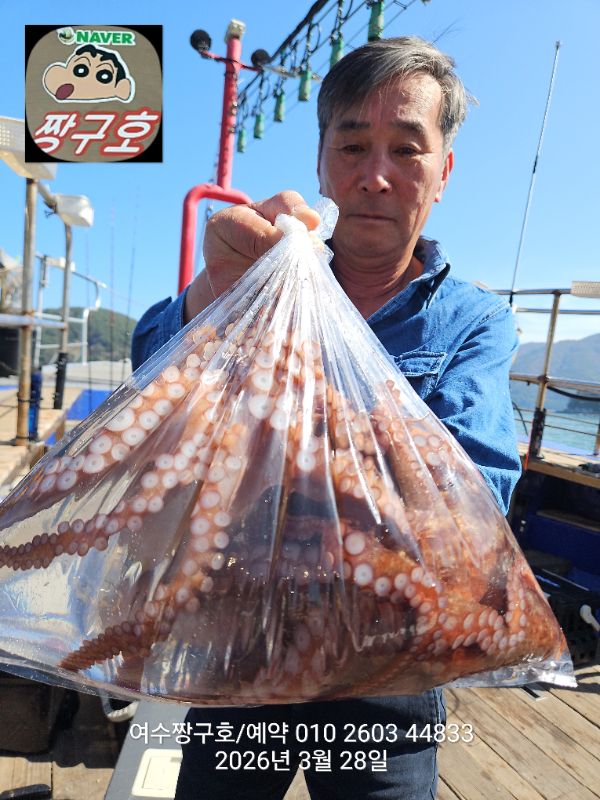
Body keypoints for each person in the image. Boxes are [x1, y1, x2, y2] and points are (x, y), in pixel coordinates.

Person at [132, 36, 521, 800]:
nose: (375, 176)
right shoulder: (261, 280)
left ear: (443, 172)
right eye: (351, 146)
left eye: (406, 149)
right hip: (242, 650)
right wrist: (216, 291)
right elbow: (147, 377)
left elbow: (477, 498)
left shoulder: (473, 322)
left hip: (386, 672)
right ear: (320, 161)